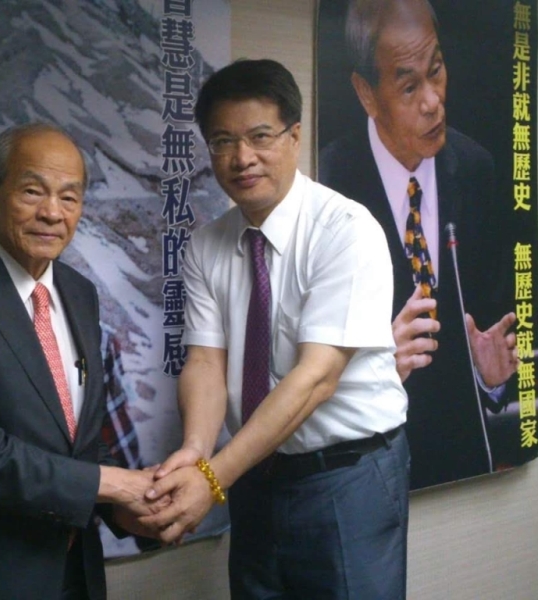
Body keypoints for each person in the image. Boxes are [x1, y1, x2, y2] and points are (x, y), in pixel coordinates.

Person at [142, 59, 410, 599]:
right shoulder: (207, 245)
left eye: (259, 136)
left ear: (293, 136)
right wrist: (196, 449)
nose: (242, 158)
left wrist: (213, 478)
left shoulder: (345, 230)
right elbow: (206, 362)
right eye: (223, 141)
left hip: (346, 476)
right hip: (254, 472)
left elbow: (316, 378)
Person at [0, 123, 164, 600]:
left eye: (69, 197)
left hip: (75, 572)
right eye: (33, 191)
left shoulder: (79, 293)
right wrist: (115, 484)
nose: (52, 213)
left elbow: (80, 439)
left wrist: (131, 509)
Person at [318, 0, 519, 489]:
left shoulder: (476, 169)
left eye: (437, 71)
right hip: (367, 467)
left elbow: (491, 321)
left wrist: (492, 378)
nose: (433, 102)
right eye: (409, 87)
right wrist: (375, 364)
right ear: (366, 93)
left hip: (463, 466)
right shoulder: (329, 182)